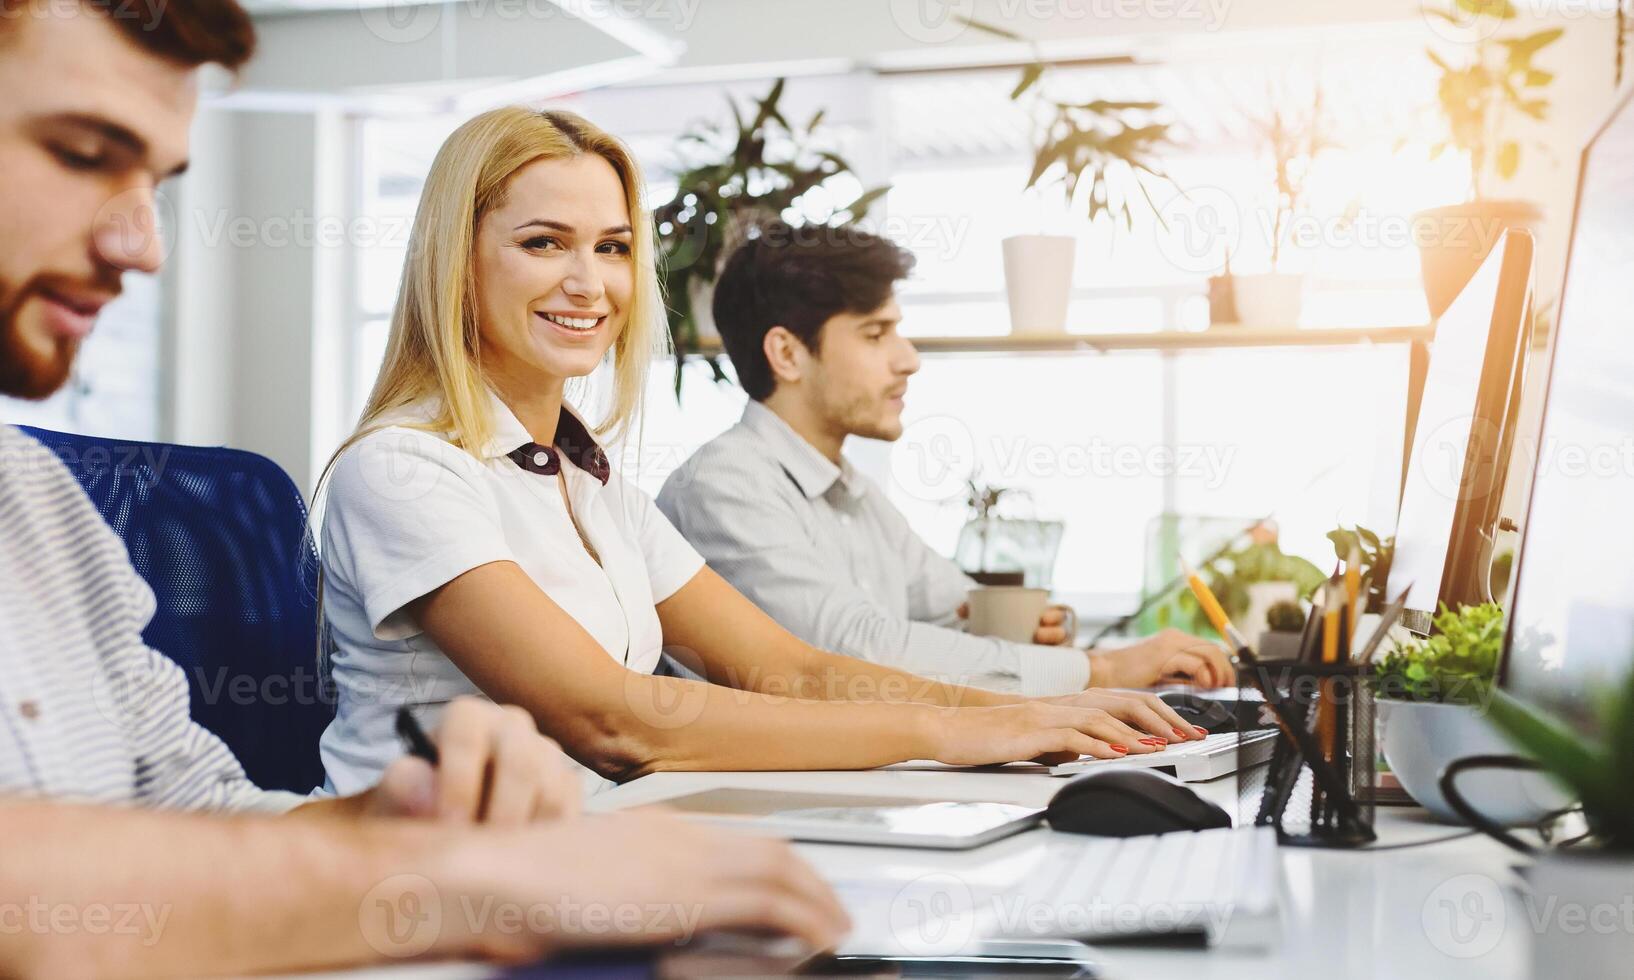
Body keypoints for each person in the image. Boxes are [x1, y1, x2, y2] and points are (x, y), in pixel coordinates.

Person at [0, 1, 847, 973]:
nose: (143, 244)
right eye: (78, 153)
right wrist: (453, 880)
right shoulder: (401, 465)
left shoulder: (46, 509)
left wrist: (399, 830)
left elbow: (199, 810)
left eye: (154, 180)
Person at [316, 106, 1215, 805]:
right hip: (433, 885)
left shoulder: (594, 488)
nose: (590, 283)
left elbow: (788, 669)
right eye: (544, 242)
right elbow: (613, 720)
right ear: (457, 261)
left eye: (614, 248)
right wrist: (949, 731)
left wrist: (1032, 716)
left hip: (599, 851)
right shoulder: (401, 469)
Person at [655, 223, 1236, 696]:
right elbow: (854, 651)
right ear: (786, 353)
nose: (909, 359)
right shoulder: (724, 487)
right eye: (877, 334)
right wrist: (1103, 671)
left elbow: (957, 608)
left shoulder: (852, 494)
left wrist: (1033, 632)